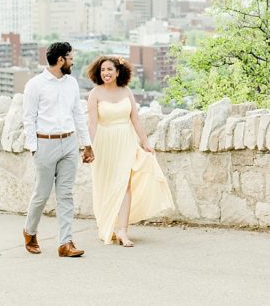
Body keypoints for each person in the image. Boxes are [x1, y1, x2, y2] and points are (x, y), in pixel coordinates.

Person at [86, 56, 174, 247]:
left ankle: (123, 231)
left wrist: (145, 142)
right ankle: (109, 223)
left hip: (126, 140)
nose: (106, 73)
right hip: (105, 143)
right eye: (102, 70)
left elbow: (135, 119)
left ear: (118, 72)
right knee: (109, 184)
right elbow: (92, 123)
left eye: (109, 69)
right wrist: (90, 147)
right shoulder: (95, 94)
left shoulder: (126, 92)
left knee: (125, 184)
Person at [21, 41, 94, 257]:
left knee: (66, 195)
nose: (73, 61)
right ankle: (30, 231)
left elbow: (78, 115)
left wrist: (87, 144)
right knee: (41, 194)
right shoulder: (35, 85)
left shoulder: (71, 83)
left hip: (69, 143)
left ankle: (65, 243)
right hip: (45, 144)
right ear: (60, 60)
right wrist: (35, 148)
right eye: (70, 58)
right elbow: (28, 118)